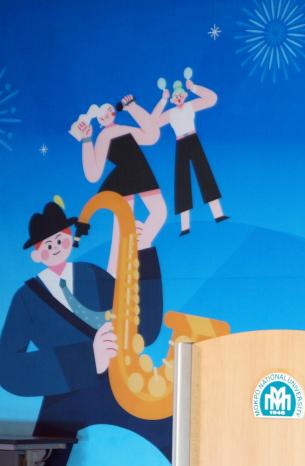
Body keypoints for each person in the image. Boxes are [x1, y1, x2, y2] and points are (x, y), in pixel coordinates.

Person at [0, 200, 171, 466]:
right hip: (64, 396)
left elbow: (141, 328)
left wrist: (144, 251)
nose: (56, 247)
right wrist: (87, 359)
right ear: (36, 255)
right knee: (49, 457)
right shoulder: (26, 298)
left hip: (120, 384)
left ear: (70, 239)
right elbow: (8, 368)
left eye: (60, 239)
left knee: (172, 436)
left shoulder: (91, 274)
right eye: (47, 245)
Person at [72, 95, 167, 274]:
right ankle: (114, 273)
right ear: (99, 120)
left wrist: (133, 108)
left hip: (142, 173)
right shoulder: (103, 137)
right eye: (102, 115)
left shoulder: (124, 128)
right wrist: (87, 140)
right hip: (124, 181)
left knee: (159, 213)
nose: (106, 114)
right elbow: (93, 174)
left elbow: (152, 136)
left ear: (114, 112)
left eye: (109, 110)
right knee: (122, 227)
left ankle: (140, 248)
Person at [151, 79, 227, 236]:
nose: (178, 98)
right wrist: (162, 100)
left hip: (193, 140)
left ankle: (218, 214)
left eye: (180, 95)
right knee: (182, 181)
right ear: (173, 100)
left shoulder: (191, 105)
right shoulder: (170, 113)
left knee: (205, 175)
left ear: (184, 95)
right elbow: (153, 122)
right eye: (175, 96)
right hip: (180, 143)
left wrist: (194, 88)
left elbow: (211, 99)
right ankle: (184, 226)